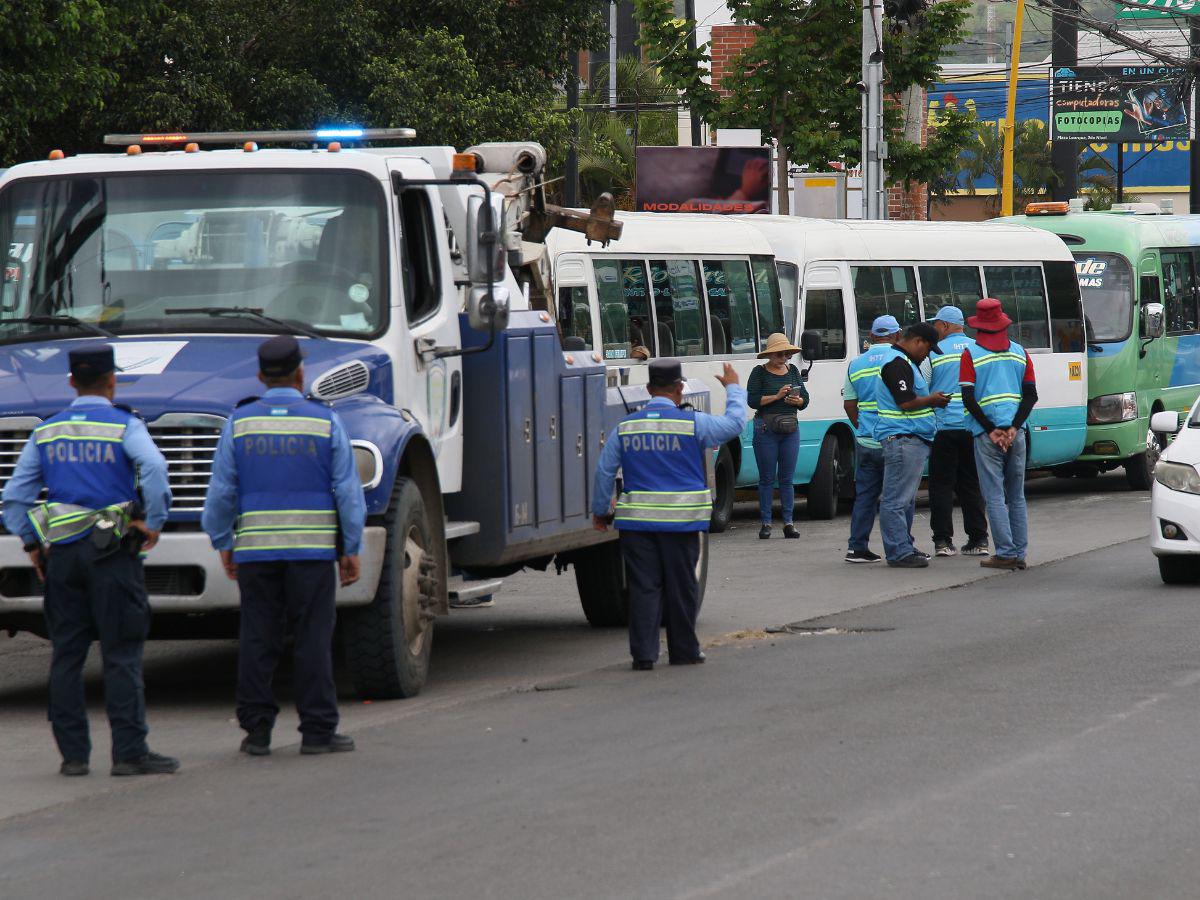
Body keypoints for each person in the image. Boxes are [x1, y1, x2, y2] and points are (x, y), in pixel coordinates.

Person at [1, 346, 178, 777]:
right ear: (112, 380)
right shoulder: (125, 426)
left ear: (71, 382)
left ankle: (74, 756)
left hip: (62, 558)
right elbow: (154, 469)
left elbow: (15, 498)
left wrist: (32, 544)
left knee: (67, 654)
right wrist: (154, 522)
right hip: (112, 554)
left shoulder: (47, 432)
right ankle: (130, 753)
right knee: (121, 653)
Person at [202, 335, 366, 756]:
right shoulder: (325, 421)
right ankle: (317, 731)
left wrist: (223, 540)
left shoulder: (239, 423)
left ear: (260, 376)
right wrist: (350, 546)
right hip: (312, 553)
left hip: (256, 552)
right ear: (300, 374)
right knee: (313, 639)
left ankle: (257, 732)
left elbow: (221, 491)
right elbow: (348, 491)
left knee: (258, 637)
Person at [592, 359, 746, 670]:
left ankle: (643, 656)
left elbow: (604, 471)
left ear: (649, 389)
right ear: (679, 389)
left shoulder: (626, 427)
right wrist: (733, 389)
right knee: (681, 586)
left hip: (637, 525)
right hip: (682, 523)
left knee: (643, 588)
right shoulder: (694, 424)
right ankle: (684, 651)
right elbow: (734, 424)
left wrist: (600, 511)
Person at [959, 298, 1038, 571]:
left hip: (986, 435)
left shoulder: (971, 354)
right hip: (1017, 434)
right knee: (1016, 496)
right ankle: (1020, 553)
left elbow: (968, 398)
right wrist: (1014, 428)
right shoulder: (1020, 352)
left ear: (978, 326)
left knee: (994, 495)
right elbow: (1031, 395)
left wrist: (992, 430)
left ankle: (1005, 553)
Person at [874, 323, 949, 568]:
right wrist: (932, 400)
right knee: (896, 500)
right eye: (927, 349)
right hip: (903, 438)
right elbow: (905, 402)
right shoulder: (897, 363)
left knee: (904, 500)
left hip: (910, 438)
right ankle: (899, 552)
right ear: (917, 341)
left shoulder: (905, 362)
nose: (927, 355)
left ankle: (904, 545)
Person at [927, 306, 989, 558]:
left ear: (944, 325)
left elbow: (925, 388)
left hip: (943, 428)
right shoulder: (978, 349)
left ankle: (942, 541)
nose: (935, 329)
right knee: (971, 484)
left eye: (936, 324)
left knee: (941, 485)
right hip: (972, 427)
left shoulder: (934, 352)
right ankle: (979, 539)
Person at [843, 315, 900, 563]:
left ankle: (857, 548)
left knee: (865, 496)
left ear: (872, 336)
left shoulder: (855, 364)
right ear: (897, 335)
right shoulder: (900, 359)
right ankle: (901, 547)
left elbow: (849, 404)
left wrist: (861, 427)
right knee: (899, 498)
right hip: (895, 438)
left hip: (866, 440)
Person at [747, 332, 809, 539]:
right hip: (766, 429)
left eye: (786, 354)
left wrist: (798, 401)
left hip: (790, 429)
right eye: (779, 354)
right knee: (766, 478)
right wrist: (777, 396)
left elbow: (805, 399)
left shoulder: (793, 371)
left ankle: (788, 523)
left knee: (787, 479)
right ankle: (766, 523)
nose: (783, 358)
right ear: (769, 355)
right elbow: (753, 400)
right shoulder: (759, 372)